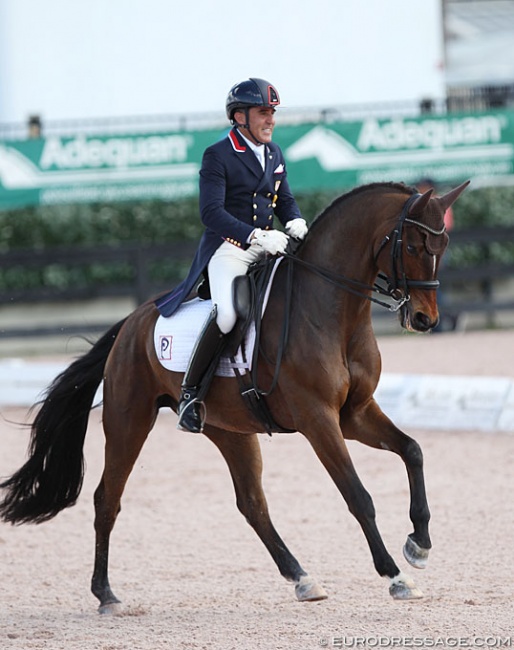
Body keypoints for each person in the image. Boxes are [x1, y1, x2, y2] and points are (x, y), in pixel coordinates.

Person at [156, 77, 308, 433]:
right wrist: (255, 235)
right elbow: (211, 213)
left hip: (269, 245)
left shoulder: (274, 153)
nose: (270, 119)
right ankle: (191, 395)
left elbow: (283, 198)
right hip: (230, 249)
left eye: (272, 113)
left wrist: (296, 220)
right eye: (262, 112)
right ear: (240, 117)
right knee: (227, 315)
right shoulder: (218, 155)